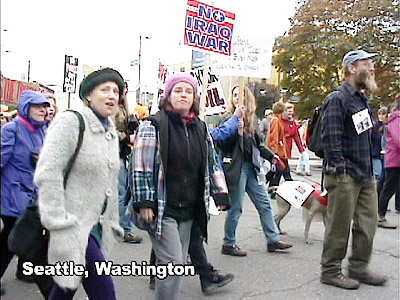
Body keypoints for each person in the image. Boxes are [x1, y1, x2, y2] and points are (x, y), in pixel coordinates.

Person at [128, 73, 230, 300]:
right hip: (163, 208)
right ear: (169, 95)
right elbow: (141, 167)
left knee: (176, 267)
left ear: (195, 97)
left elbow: (212, 163)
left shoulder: (201, 129)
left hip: (191, 208)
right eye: (178, 90)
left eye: (189, 91)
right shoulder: (153, 125)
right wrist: (144, 202)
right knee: (173, 264)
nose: (183, 95)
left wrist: (221, 192)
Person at [34, 68, 125, 299]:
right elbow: (48, 172)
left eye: (116, 91)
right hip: (72, 225)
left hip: (94, 226)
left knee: (65, 288)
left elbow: (109, 178)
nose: (112, 95)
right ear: (89, 96)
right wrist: (58, 221)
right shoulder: (71, 121)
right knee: (104, 293)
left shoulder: (109, 130)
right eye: (105, 90)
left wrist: (112, 218)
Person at [320, 49, 387, 289]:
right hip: (345, 174)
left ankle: (358, 268)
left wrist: (369, 171)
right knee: (339, 226)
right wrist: (340, 170)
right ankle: (330, 270)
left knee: (367, 225)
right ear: (352, 68)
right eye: (367, 64)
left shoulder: (361, 100)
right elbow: (331, 139)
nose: (372, 68)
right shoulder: (337, 99)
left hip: (365, 173)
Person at [217, 86, 293, 256]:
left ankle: (273, 240)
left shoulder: (252, 119)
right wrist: (235, 124)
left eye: (241, 95)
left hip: (251, 166)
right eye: (234, 95)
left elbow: (257, 144)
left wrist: (272, 156)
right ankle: (229, 243)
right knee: (236, 207)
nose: (237, 98)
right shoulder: (229, 118)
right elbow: (222, 142)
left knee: (264, 203)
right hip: (236, 167)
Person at [1, 91, 50, 293]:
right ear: (25, 108)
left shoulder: (44, 129)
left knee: (23, 236)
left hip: (34, 193)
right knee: (13, 238)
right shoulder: (12, 129)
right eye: (38, 106)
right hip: (13, 193)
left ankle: (25, 271)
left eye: (45, 106)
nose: (43, 110)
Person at [114, 82, 142, 244]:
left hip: (122, 153)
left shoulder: (123, 107)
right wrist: (126, 137)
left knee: (122, 192)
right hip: (115, 153)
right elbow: (108, 131)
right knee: (122, 193)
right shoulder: (115, 109)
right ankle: (126, 229)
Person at [377, 96, 400, 229]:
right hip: (395, 160)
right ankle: (380, 216)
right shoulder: (397, 119)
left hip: (395, 159)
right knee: (388, 188)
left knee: (391, 187)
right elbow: (398, 140)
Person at [267, 101, 292, 192]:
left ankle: (272, 187)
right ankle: (289, 187)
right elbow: (274, 136)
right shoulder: (276, 120)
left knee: (280, 171)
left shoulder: (277, 120)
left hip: (280, 151)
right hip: (279, 151)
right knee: (283, 170)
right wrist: (275, 152)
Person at [372, 106, 388, 198]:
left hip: (384, 155)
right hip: (376, 154)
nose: (381, 116)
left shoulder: (388, 126)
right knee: (380, 176)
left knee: (383, 178)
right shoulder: (375, 126)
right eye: (380, 114)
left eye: (383, 114)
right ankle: (378, 199)